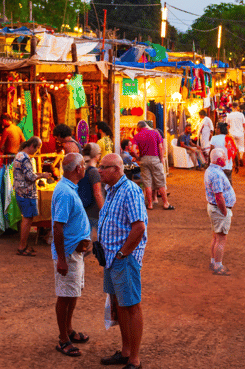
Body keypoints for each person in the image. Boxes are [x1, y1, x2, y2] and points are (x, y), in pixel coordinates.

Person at [97, 153, 147, 369]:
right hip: (112, 258)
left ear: (117, 170)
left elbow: (139, 227)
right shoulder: (112, 190)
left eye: (104, 167)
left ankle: (134, 359)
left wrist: (123, 253)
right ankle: (126, 352)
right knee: (120, 306)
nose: (99, 171)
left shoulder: (130, 191)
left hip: (122, 258)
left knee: (131, 306)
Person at [51, 153, 92, 358]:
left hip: (73, 253)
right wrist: (61, 259)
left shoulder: (68, 189)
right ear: (78, 169)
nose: (84, 168)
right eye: (83, 165)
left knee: (72, 293)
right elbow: (58, 228)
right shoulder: (65, 192)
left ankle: (68, 330)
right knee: (65, 296)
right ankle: (63, 339)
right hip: (67, 254)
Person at [13, 136, 52, 256]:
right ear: (32, 146)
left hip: (21, 191)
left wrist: (40, 174)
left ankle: (23, 245)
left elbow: (28, 174)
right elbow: (30, 177)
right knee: (27, 219)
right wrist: (43, 176)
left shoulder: (19, 155)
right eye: (38, 147)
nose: (38, 150)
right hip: (26, 193)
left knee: (27, 219)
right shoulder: (25, 158)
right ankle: (22, 246)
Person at [203, 148, 235, 276]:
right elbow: (219, 196)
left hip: (215, 209)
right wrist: (224, 212)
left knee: (216, 237)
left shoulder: (212, 170)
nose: (226, 159)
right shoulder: (216, 174)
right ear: (219, 160)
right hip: (219, 209)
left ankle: (214, 261)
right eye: (224, 157)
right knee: (221, 238)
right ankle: (218, 265)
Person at [132, 120, 173, 210]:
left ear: (138, 128)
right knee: (160, 182)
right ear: (146, 126)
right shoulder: (155, 133)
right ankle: (166, 203)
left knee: (147, 182)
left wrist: (137, 157)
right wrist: (161, 158)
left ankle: (150, 204)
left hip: (143, 160)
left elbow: (133, 150)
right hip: (155, 159)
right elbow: (160, 147)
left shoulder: (137, 135)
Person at [79, 143, 105, 234]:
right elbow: (97, 193)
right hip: (95, 212)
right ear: (96, 155)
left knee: (86, 239)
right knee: (102, 239)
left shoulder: (83, 169)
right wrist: (104, 211)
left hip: (85, 209)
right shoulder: (94, 172)